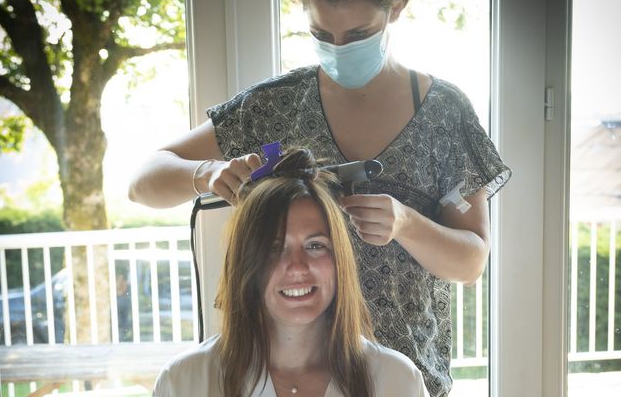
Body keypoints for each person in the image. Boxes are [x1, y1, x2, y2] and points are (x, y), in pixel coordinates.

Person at [130, 0, 511, 395]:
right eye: (321, 34)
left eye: (356, 34)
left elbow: (470, 263)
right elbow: (142, 181)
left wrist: (406, 224)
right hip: (270, 374)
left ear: (396, 7)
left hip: (401, 378)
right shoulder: (274, 107)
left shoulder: (444, 116)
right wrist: (206, 174)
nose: (338, 48)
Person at [152, 148, 426, 397]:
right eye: (274, 247)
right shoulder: (182, 383)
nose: (297, 266)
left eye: (315, 246)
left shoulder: (398, 381)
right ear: (246, 264)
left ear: (339, 259)